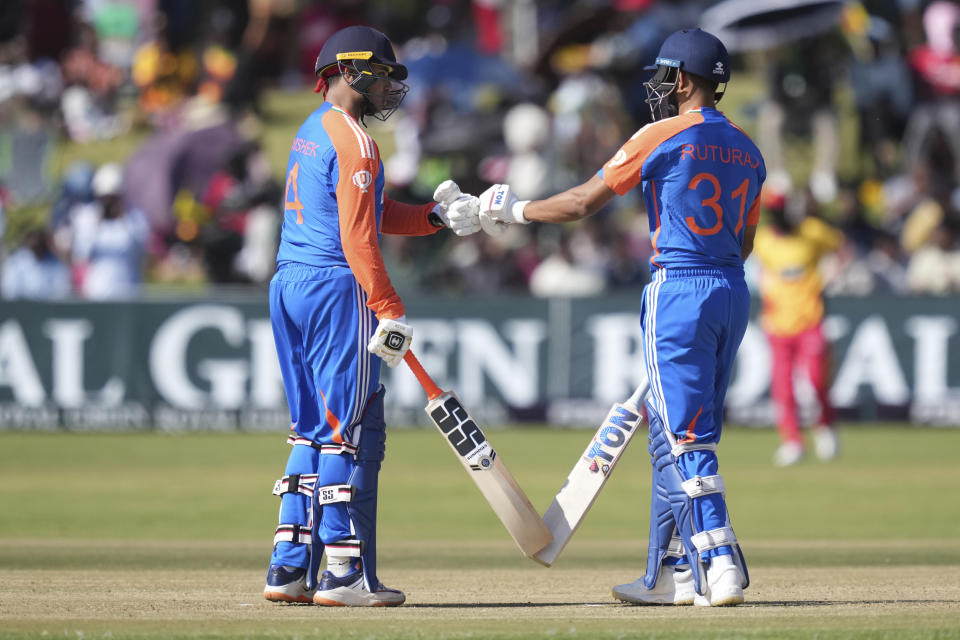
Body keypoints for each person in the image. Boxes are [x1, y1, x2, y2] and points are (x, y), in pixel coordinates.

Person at [480, 28, 764, 607]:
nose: (658, 88)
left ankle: (720, 561)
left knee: (686, 436)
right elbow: (748, 240)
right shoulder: (749, 148)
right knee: (670, 430)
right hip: (732, 289)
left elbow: (584, 202)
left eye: (664, 76)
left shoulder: (659, 134)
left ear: (683, 80)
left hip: (677, 290)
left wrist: (514, 210)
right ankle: (672, 572)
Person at [263, 25, 481, 608]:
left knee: (309, 427)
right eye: (383, 75)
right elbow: (359, 239)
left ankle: (287, 567)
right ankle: (340, 572)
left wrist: (433, 217)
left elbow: (373, 211)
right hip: (336, 288)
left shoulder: (311, 130)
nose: (390, 87)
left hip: (288, 282)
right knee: (344, 431)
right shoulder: (357, 143)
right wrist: (389, 306)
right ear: (351, 70)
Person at [752, 192, 842, 467]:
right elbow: (760, 272)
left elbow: (839, 249)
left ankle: (824, 426)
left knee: (815, 379)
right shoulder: (764, 240)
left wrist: (831, 276)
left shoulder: (812, 232)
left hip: (810, 319)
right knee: (783, 387)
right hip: (778, 324)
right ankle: (792, 441)